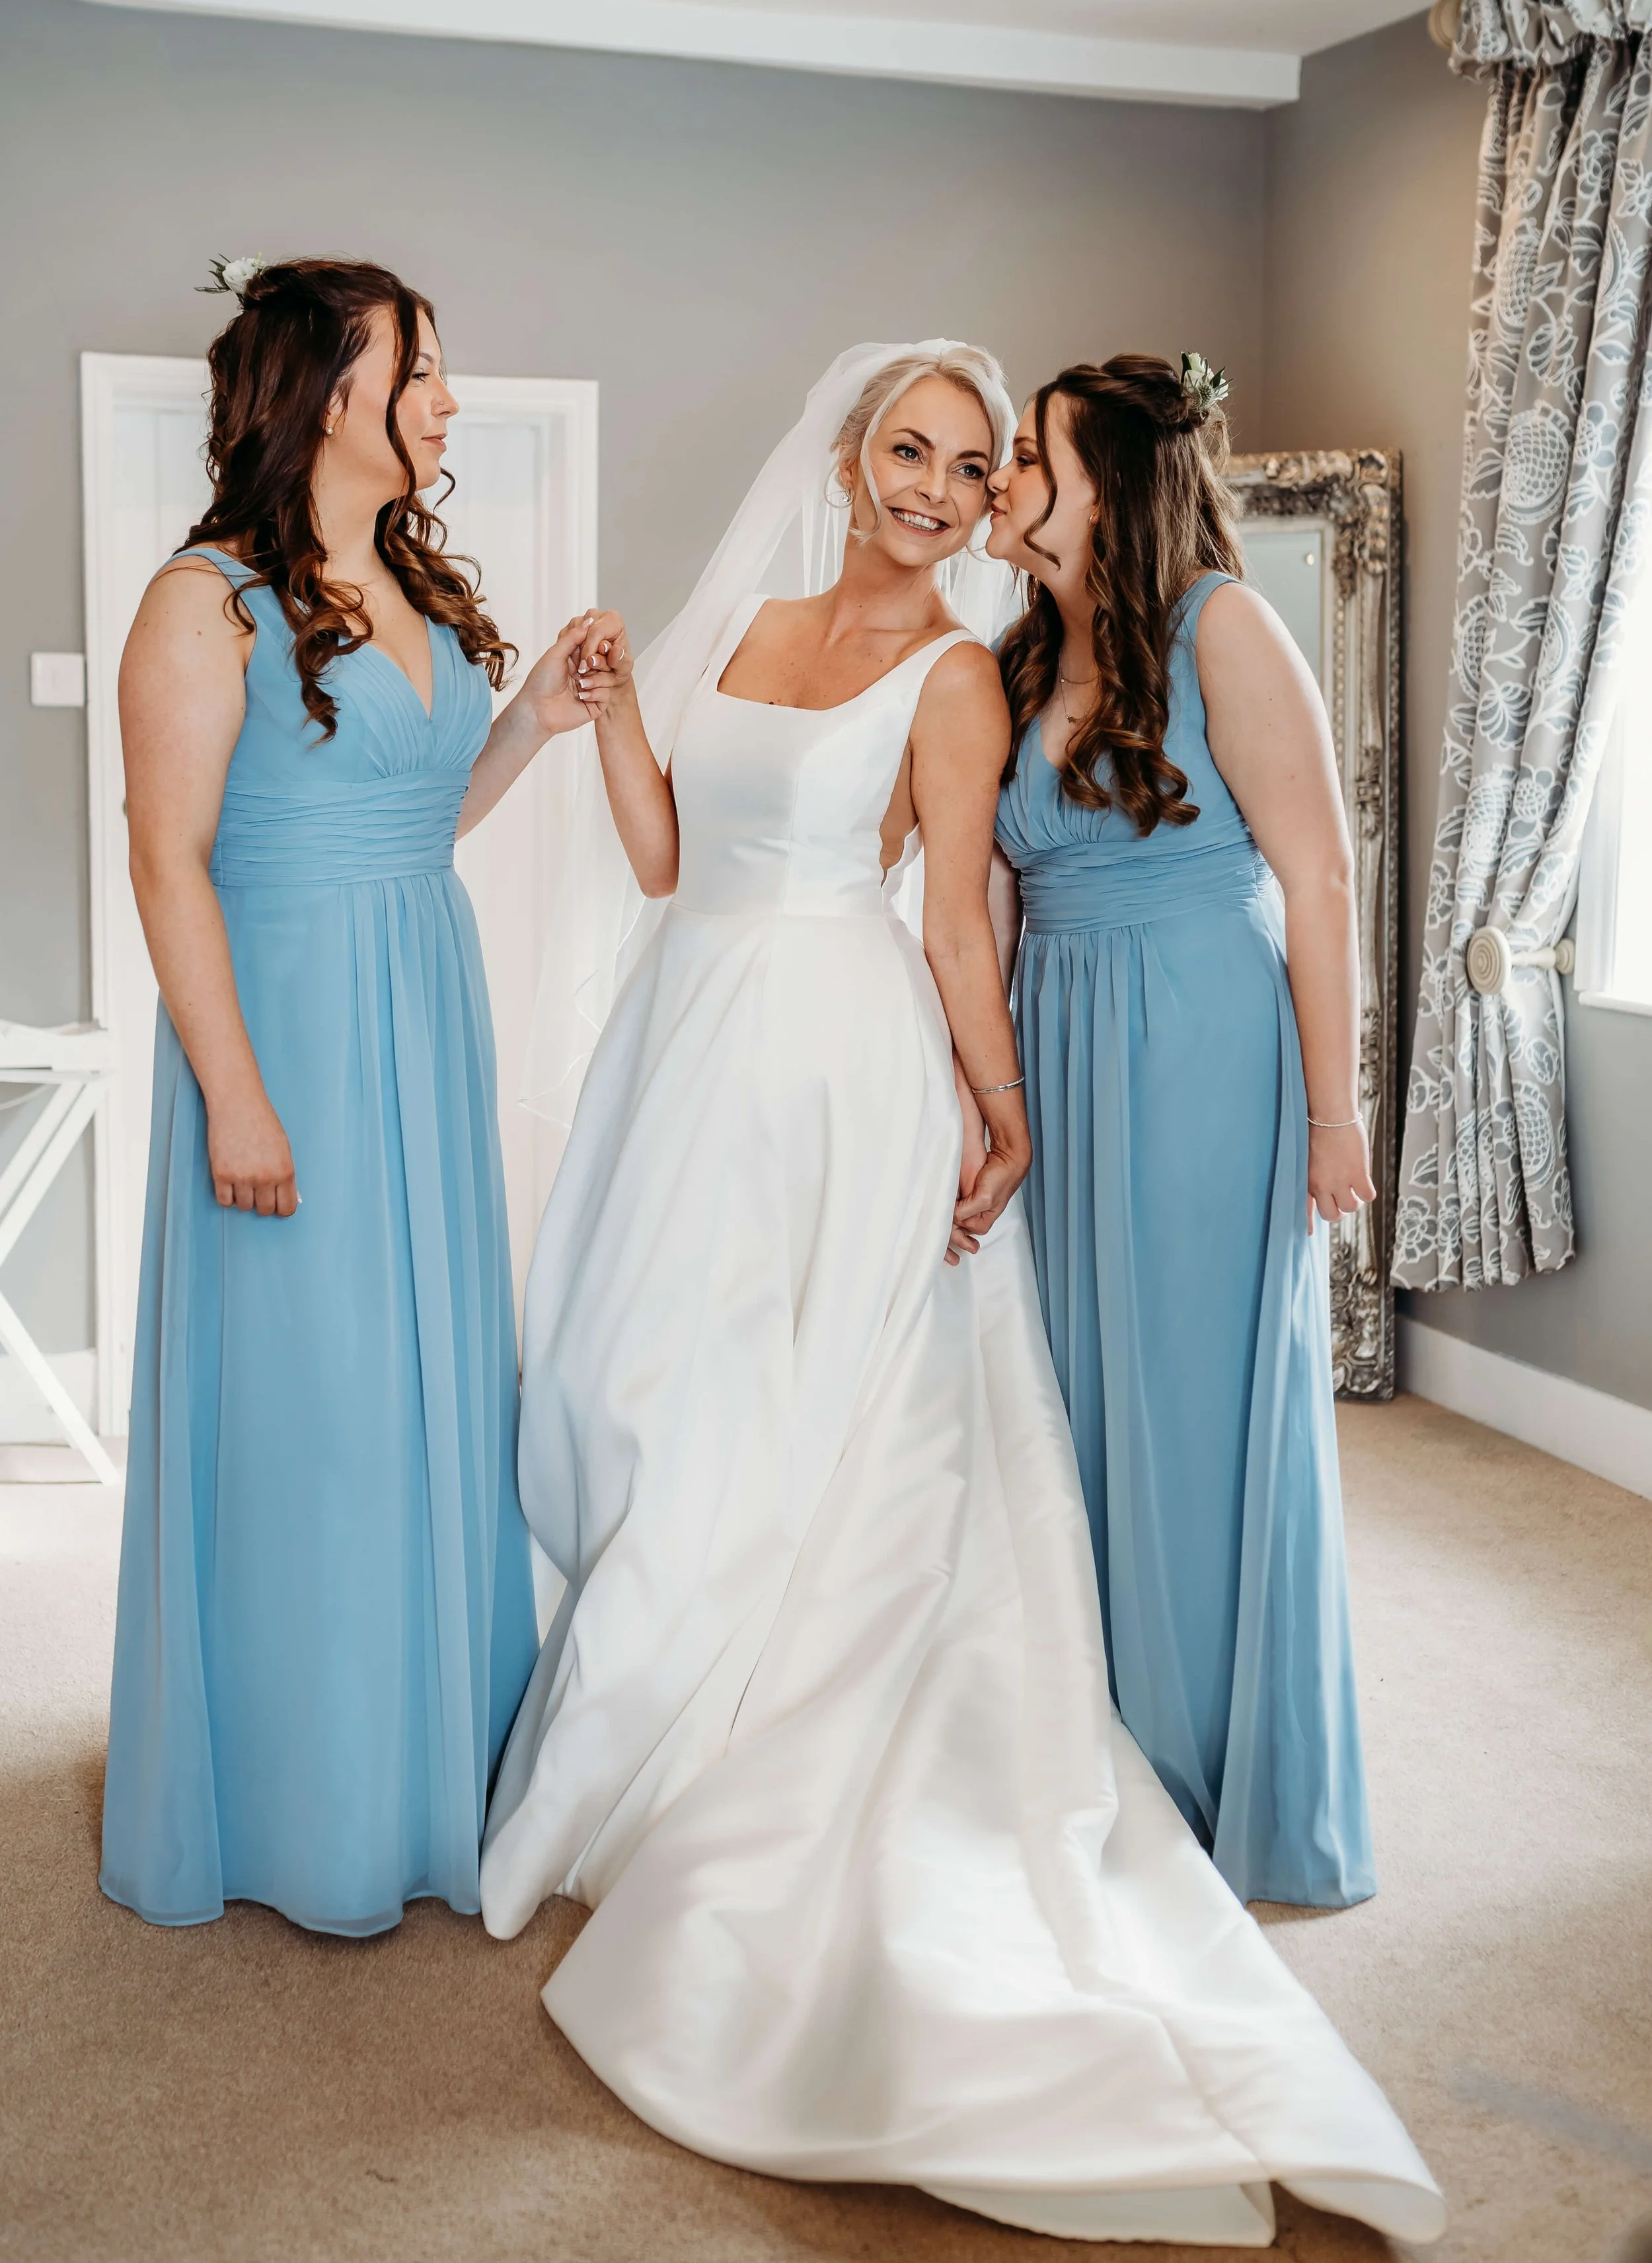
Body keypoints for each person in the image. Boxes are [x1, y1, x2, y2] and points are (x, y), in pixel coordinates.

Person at [478, 340, 1443, 2246]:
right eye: (920, 452)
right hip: (748, 1044)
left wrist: (1051, 1106)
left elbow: (1058, 898)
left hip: (1018, 1042)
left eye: (997, 464)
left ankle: (1221, 1772)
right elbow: (702, 858)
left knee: (1122, 1397)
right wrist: (600, 718)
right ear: (843, 451)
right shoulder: (960, 647)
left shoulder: (1067, 654)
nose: (960, 488)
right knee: (749, 1386)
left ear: (1069, 480)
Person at [101, 256, 590, 1936]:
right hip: (289, 1031)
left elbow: (415, 816)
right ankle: (300, 1797)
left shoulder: (404, 579)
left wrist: (529, 721)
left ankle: (424, 1760)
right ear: (328, 391)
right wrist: (233, 1093)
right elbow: (169, 865)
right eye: (425, 372)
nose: (449, 402)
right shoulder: (202, 600)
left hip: (421, 1012)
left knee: (427, 1386)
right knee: (312, 1414)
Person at [985, 353, 1375, 1910]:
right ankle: (1102, 1754)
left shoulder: (1223, 623)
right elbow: (995, 903)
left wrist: (1335, 1117)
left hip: (1201, 1043)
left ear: (1109, 485)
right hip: (1059, 1050)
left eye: (1029, 459)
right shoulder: (1015, 656)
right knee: (1071, 1397)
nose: (1003, 485)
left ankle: (1218, 1771)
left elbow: (1322, 878)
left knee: (1190, 1404)